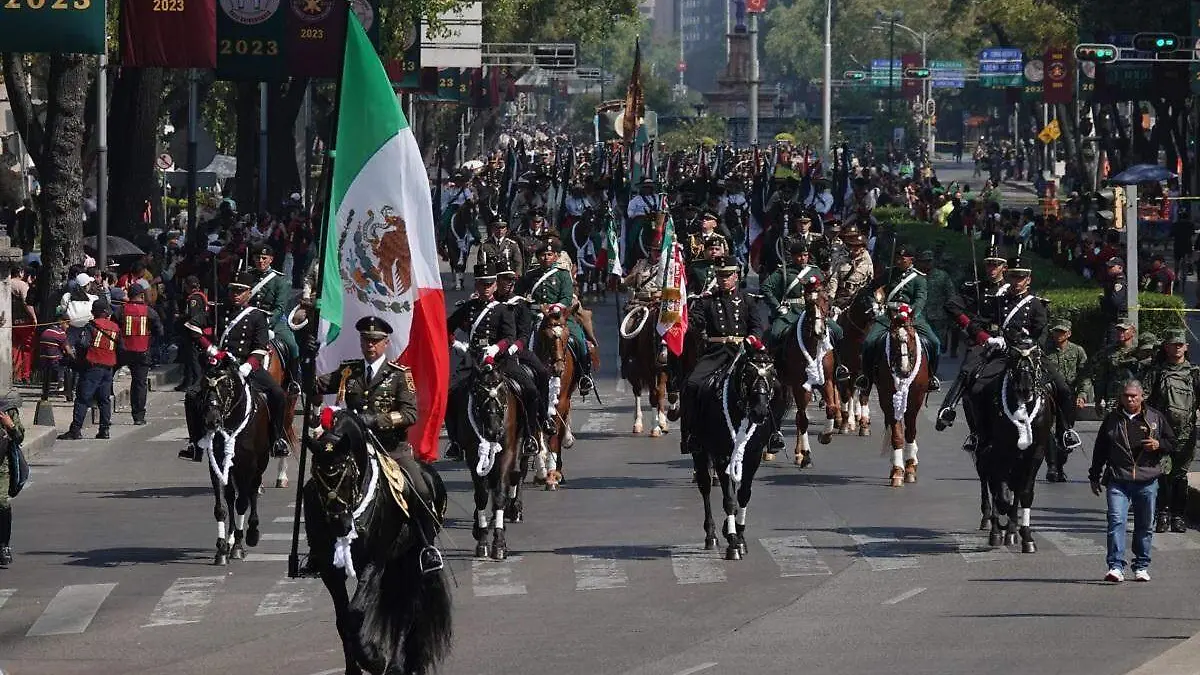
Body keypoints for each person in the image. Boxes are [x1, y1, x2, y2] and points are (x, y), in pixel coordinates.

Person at [181, 272, 290, 461]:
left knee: (278, 394)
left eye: (240, 291)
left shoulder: (257, 316)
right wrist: (211, 349)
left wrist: (249, 364)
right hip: (221, 366)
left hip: (247, 365)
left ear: (249, 293)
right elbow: (192, 326)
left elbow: (260, 346)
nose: (235, 295)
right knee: (192, 395)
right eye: (233, 290)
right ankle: (195, 443)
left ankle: (276, 440)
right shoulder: (218, 311)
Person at [680, 257, 769, 455]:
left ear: (736, 276)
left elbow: (757, 326)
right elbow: (696, 322)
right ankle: (691, 434)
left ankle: (771, 433)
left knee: (769, 383)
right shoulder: (708, 300)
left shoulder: (746, 299)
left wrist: (751, 338)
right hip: (716, 352)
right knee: (692, 385)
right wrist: (685, 317)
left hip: (742, 352)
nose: (723, 280)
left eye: (727, 275)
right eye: (720, 276)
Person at [1089, 380, 1173, 583]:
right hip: (1118, 480)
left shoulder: (1155, 417)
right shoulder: (1112, 419)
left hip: (1147, 480)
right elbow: (1100, 449)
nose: (1130, 399)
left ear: (1141, 396)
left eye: (1134, 395)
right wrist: (1094, 475)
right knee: (1116, 521)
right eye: (1126, 395)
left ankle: (1141, 566)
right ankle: (1115, 566)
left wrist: (1158, 444)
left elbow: (1173, 443)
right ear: (1121, 397)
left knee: (1144, 525)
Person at [312, 316, 418, 460]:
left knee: (417, 481)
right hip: (354, 446)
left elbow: (410, 414)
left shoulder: (399, 374)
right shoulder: (349, 371)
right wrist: (307, 357)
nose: (370, 345)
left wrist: (375, 420)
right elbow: (314, 385)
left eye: (375, 341)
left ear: (386, 343)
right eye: (366, 340)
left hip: (391, 449)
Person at [517, 238, 595, 396]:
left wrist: (556, 308)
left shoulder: (563, 275)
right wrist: (529, 304)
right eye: (542, 255)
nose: (545, 258)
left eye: (549, 254)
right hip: (536, 316)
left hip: (560, 317)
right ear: (538, 258)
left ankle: (585, 375)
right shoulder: (530, 275)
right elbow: (518, 294)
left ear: (556, 256)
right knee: (520, 340)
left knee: (578, 339)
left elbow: (566, 297)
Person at [859, 245, 941, 392]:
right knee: (869, 341)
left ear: (911, 260)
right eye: (897, 258)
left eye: (902, 258)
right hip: (888, 315)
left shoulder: (919, 278)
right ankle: (866, 378)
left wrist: (910, 313)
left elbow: (920, 299)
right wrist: (875, 303)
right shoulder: (890, 274)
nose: (898, 261)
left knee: (935, 342)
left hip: (911, 316)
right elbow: (870, 288)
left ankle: (931, 377)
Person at [1143, 329, 1200, 534]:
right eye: (1172, 344)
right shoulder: (1156, 372)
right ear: (1165, 347)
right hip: (1161, 434)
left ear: (1186, 347)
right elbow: (1144, 399)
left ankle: (1178, 515)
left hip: (1187, 434)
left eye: (1180, 344)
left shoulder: (1194, 373)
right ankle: (1163, 514)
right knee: (1163, 475)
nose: (1176, 347)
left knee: (1180, 476)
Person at [58, 300, 120, 441]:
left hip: (93, 366)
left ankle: (75, 430)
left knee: (82, 399)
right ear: (106, 313)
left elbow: (83, 344)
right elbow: (120, 347)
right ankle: (104, 431)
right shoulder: (115, 328)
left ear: (93, 312)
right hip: (108, 367)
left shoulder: (91, 326)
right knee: (104, 400)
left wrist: (78, 359)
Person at [245, 242, 301, 389]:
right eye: (257, 258)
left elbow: (280, 307)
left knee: (292, 345)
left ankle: (293, 382)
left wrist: (266, 322)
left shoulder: (279, 280)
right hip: (248, 318)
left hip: (272, 321)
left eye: (264, 258)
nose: (260, 261)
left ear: (271, 259)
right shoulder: (247, 276)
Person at [1043, 321, 1090, 482]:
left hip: (1069, 396)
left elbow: (1085, 375)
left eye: (1062, 332)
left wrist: (1082, 395)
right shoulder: (1044, 351)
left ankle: (1060, 465)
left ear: (1068, 334)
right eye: (1056, 332)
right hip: (1048, 395)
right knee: (1047, 431)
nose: (1058, 335)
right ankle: (1052, 466)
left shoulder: (1077, 351)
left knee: (1065, 433)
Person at [760, 239, 821, 351]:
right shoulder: (783, 271)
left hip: (812, 310)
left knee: (837, 331)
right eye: (799, 256)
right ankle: (773, 361)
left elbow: (823, 290)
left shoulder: (815, 271)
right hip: (790, 312)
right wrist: (777, 306)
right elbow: (765, 287)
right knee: (775, 334)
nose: (803, 258)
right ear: (792, 257)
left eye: (805, 255)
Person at [117, 279, 163, 425]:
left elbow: (113, 327)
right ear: (142, 296)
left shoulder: (121, 310)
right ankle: (138, 416)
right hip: (143, 351)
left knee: (108, 375)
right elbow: (159, 331)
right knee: (139, 383)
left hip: (123, 351)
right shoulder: (149, 311)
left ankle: (103, 408)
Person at [1085, 317, 1142, 417]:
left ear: (1133, 332)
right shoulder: (1108, 352)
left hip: (1135, 397)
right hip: (1114, 396)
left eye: (1124, 330)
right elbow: (1101, 376)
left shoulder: (1140, 350)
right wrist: (1098, 400)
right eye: (1119, 330)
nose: (1121, 333)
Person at [0, 392, 25, 566]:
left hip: (2, 465)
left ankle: (3, 545)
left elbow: (19, 437)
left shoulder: (7, 409)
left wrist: (9, 426)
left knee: (1, 502)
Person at [176, 275, 209, 391]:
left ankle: (197, 382)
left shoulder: (194, 299)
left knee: (193, 358)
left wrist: (180, 317)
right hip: (191, 332)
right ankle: (187, 382)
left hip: (192, 332)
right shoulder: (198, 297)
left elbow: (193, 317)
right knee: (188, 359)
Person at [917, 250, 954, 354]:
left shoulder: (942, 276)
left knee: (937, 344)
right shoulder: (916, 275)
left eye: (929, 261)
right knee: (921, 344)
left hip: (939, 316)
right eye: (924, 261)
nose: (927, 264)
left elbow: (950, 294)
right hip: (920, 315)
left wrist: (950, 312)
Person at [826, 230, 873, 312]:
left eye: (858, 246)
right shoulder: (841, 260)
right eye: (852, 246)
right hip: (842, 297)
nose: (855, 248)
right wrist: (831, 297)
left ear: (863, 248)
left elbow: (869, 281)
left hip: (857, 299)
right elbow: (834, 279)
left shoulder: (867, 263)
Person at [39, 309, 71, 397]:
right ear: (61, 322)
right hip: (54, 362)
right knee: (68, 365)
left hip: (43, 362)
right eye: (67, 324)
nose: (68, 327)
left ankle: (45, 393)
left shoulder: (45, 332)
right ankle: (68, 392)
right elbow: (69, 351)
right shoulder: (60, 334)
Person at [1100, 257, 1128, 329]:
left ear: (1120, 268)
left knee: (1113, 338)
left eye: (1112, 266)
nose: (1109, 268)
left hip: (1116, 319)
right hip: (1113, 317)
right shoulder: (1113, 280)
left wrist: (1104, 300)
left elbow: (1116, 301)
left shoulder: (1120, 282)